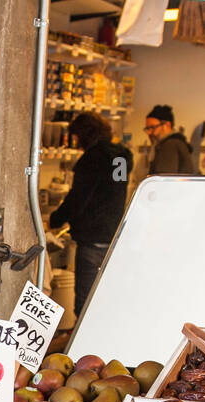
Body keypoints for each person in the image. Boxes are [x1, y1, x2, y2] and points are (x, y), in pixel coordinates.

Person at [48, 112, 133, 317]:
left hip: (92, 240)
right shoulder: (121, 157)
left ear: (85, 134)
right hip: (114, 238)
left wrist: (56, 219)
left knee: (85, 304)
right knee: (109, 299)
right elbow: (116, 190)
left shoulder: (92, 159)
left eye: (76, 137)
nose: (76, 143)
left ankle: (83, 347)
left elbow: (79, 198)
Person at [144, 105, 196, 175]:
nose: (149, 132)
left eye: (153, 127)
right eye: (147, 129)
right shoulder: (176, 142)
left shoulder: (169, 145)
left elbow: (164, 180)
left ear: (167, 125)